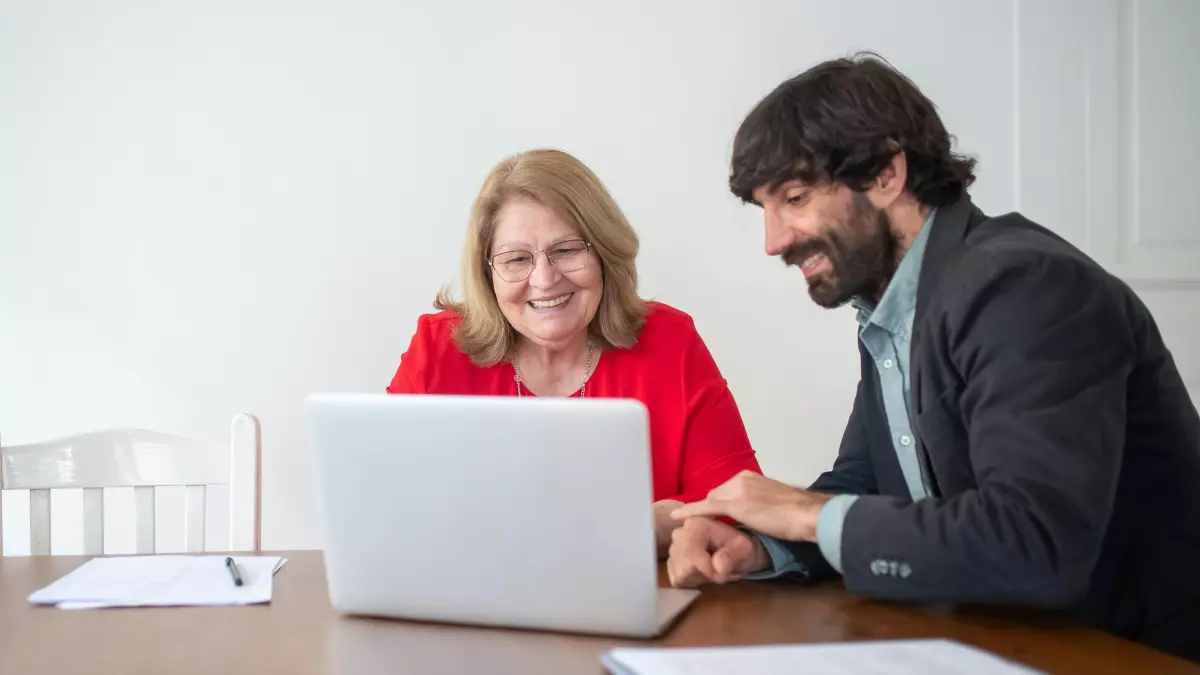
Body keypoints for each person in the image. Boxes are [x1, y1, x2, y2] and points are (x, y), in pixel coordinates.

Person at [666, 53, 1200, 662]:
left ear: (887, 175)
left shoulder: (1025, 287)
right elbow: (864, 483)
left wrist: (807, 515)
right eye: (764, 209)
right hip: (996, 638)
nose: (774, 240)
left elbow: (1034, 544)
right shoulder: (894, 302)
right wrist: (763, 546)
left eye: (795, 196)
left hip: (1132, 651)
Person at [387, 148, 762, 554]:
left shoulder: (671, 341)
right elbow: (383, 501)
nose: (545, 279)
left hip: (637, 597)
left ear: (603, 252)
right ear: (487, 272)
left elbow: (740, 506)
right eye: (516, 259)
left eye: (566, 250)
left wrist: (641, 528)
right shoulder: (436, 349)